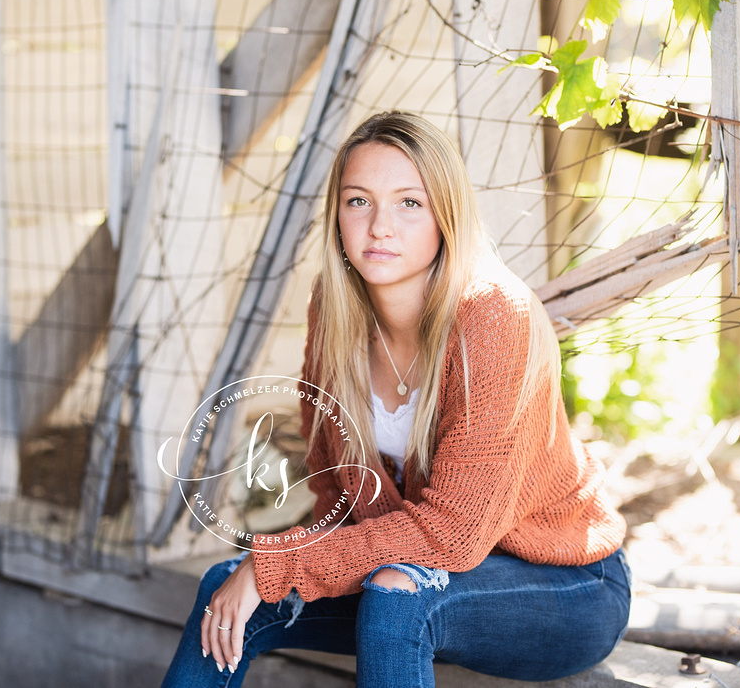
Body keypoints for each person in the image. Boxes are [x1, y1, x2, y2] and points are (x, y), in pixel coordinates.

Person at [160, 111, 631, 688]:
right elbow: (331, 479)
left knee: (392, 592)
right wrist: (272, 569)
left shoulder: (492, 314)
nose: (380, 225)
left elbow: (452, 531)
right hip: (411, 573)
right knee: (223, 588)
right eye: (359, 201)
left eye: (409, 202)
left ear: (445, 214)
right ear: (337, 214)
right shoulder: (333, 309)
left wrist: (281, 561)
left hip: (564, 585)